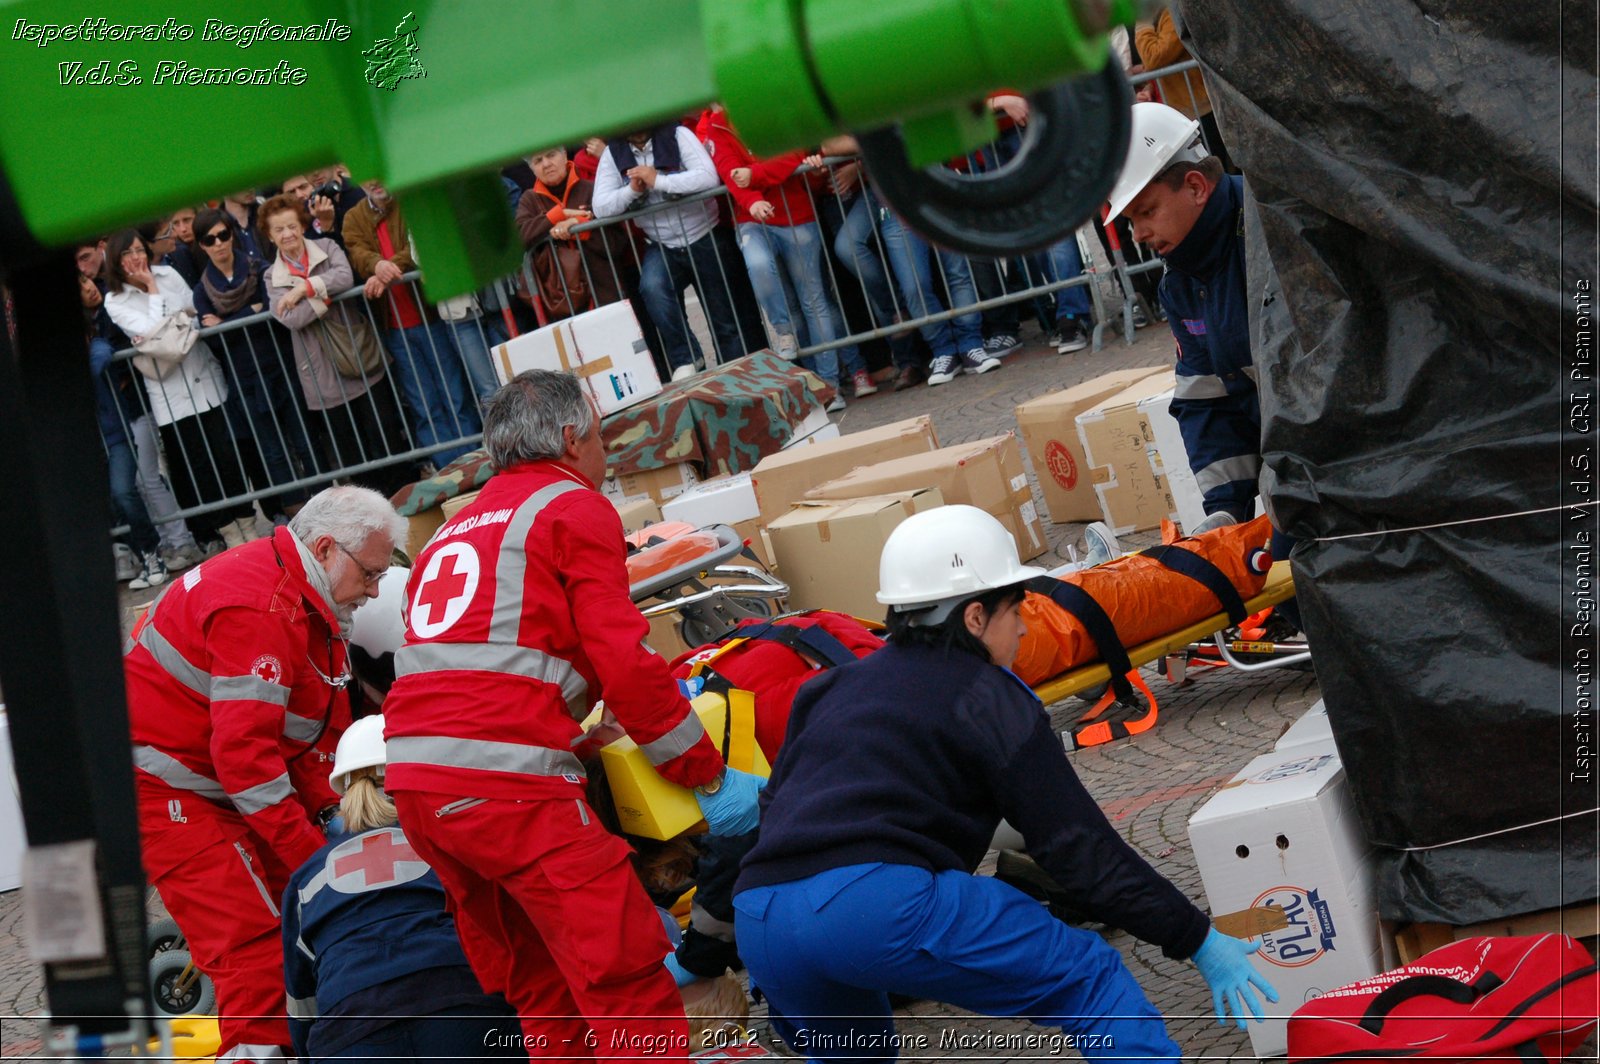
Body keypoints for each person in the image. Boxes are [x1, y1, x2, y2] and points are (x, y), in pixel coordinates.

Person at [732, 505, 1278, 1062]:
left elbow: (768, 814)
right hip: (876, 905)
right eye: (1015, 608)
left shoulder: (829, 689)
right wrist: (1198, 940)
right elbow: (1079, 851)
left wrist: (703, 950)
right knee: (1087, 978)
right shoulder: (988, 694)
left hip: (762, 921)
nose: (1022, 625)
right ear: (974, 617)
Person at [380, 368, 764, 1056]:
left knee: (543, 986)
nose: (605, 450)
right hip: (510, 791)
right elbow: (625, 662)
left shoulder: (453, 528)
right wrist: (707, 775)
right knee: (625, 980)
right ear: (568, 438)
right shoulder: (572, 506)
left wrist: (570, 742)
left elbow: (475, 669)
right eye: (598, 433)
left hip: (417, 783)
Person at [124, 485, 404, 1063]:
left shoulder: (308, 595)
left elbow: (312, 730)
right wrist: (321, 854)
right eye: (371, 573)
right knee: (255, 949)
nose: (374, 589)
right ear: (326, 548)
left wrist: (334, 820)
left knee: (309, 919)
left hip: (208, 779)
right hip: (168, 789)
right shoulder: (260, 607)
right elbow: (246, 762)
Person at [282, 715, 524, 1063]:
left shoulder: (307, 881)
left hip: (349, 1034)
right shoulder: (452, 843)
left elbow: (302, 1004)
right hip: (464, 1009)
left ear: (344, 791)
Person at [698, 106, 872, 409]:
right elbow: (729, 174)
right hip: (753, 218)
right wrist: (752, 200)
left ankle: (829, 386)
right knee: (765, 275)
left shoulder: (771, 108)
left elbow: (794, 155)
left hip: (798, 216)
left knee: (814, 301)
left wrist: (754, 176)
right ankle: (789, 344)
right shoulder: (717, 125)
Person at [102, 228, 259, 549]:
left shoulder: (168, 273)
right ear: (116, 262)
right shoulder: (115, 299)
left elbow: (194, 308)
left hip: (204, 375)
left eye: (139, 250)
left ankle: (247, 520)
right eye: (128, 254)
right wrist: (151, 291)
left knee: (228, 455)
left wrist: (166, 323)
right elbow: (149, 332)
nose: (137, 258)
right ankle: (227, 530)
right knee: (200, 465)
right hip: (171, 394)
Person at [260, 193, 415, 498]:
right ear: (270, 235)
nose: (288, 234)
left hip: (358, 353)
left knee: (383, 429)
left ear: (302, 225)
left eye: (292, 226)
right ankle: (373, 509)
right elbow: (292, 318)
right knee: (349, 449)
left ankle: (407, 498)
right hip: (319, 371)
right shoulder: (270, 275)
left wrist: (306, 288)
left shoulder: (327, 247)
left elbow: (345, 276)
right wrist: (324, 295)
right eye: (279, 230)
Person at [593, 122, 753, 380]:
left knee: (724, 319)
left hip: (705, 232)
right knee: (652, 288)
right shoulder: (614, 152)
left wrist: (658, 180)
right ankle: (688, 357)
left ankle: (739, 380)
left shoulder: (679, 134)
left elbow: (707, 176)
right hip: (661, 242)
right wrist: (631, 191)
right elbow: (600, 206)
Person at [342, 177, 483, 467]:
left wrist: (390, 267)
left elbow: (420, 243)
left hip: (431, 315)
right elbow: (357, 251)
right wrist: (376, 265)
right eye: (367, 177)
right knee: (424, 404)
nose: (374, 182)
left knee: (454, 394)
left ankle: (474, 464)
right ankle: (447, 470)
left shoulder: (410, 201)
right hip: (394, 326)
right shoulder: (354, 216)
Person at [192, 208, 316, 515]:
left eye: (224, 234)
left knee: (304, 439)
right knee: (272, 449)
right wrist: (251, 312)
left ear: (232, 234)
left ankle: (324, 500)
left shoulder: (259, 268)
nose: (219, 243)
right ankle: (295, 512)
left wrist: (226, 321)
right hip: (243, 377)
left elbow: (273, 313)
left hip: (280, 364)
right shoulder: (202, 291)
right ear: (202, 245)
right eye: (210, 239)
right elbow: (217, 340)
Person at [82, 272, 167, 589]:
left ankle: (152, 552)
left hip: (116, 435)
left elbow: (101, 357)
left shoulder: (97, 342)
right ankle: (144, 556)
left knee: (124, 491)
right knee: (113, 504)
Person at [514, 145, 627, 318]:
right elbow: (519, 238)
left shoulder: (592, 189)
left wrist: (578, 228)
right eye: (538, 161)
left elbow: (618, 243)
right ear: (532, 169)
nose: (546, 164)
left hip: (605, 294)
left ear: (564, 154)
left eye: (550, 155)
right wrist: (559, 214)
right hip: (559, 303)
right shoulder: (529, 200)